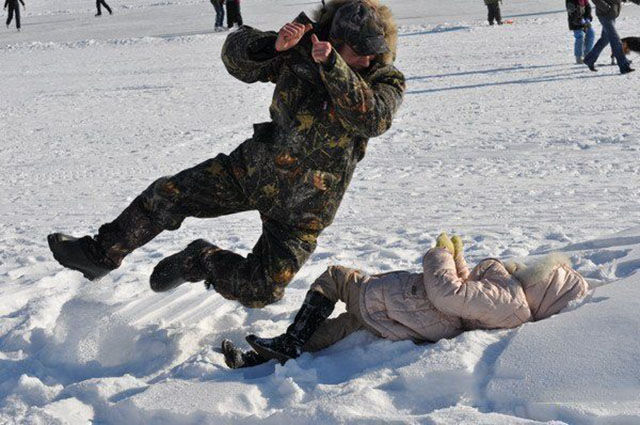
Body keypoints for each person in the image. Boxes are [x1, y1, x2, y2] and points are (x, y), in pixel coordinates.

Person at [47, 0, 405, 310]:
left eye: (373, 49)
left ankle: (199, 259)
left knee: (261, 290)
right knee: (169, 194)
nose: (368, 57)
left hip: (306, 206)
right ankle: (100, 255)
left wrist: (334, 67)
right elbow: (236, 55)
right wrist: (273, 47)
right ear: (334, 41)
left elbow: (373, 118)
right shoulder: (299, 54)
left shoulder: (384, 80)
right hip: (253, 171)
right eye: (358, 50)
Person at [222, 233, 589, 368]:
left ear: (544, 283)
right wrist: (459, 257)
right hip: (400, 316)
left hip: (400, 302)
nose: (529, 266)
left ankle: (289, 340)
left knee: (335, 277)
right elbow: (465, 294)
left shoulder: (509, 301)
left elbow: (449, 293)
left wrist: (440, 254)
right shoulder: (508, 300)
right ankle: (257, 359)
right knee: (335, 330)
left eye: (539, 269)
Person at [584, 0, 640, 74]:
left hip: (611, 14)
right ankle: (624, 66)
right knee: (616, 40)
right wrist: (607, 8)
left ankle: (589, 60)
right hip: (605, 14)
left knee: (605, 39)